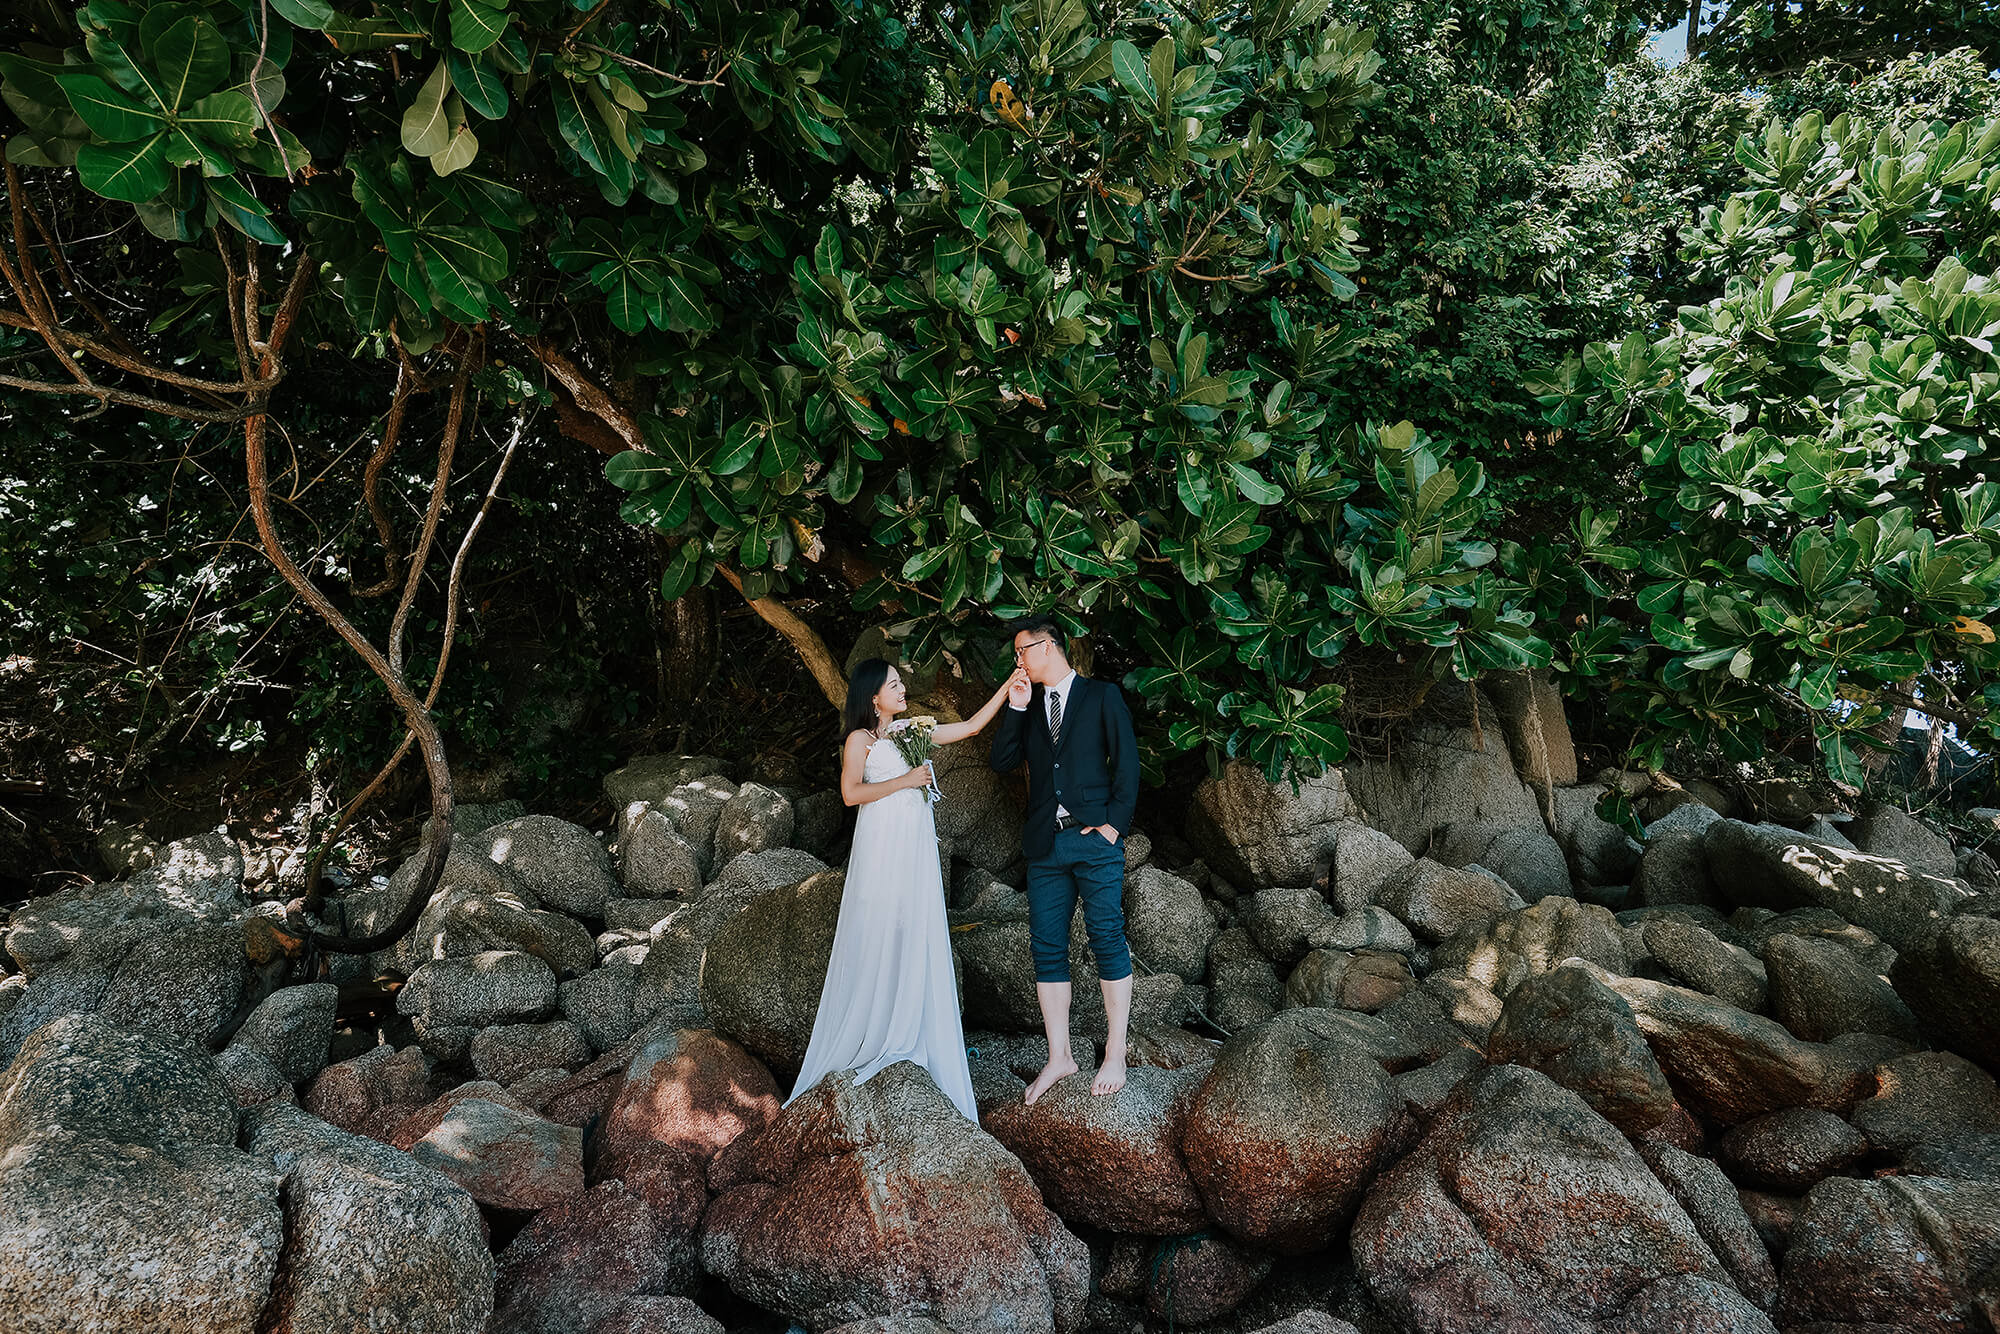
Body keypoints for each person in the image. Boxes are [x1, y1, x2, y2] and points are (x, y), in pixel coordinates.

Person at [786, 656, 1023, 1122]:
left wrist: (1008, 685)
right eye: (893, 684)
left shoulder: (912, 729)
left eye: (900, 682)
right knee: (881, 928)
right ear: (873, 696)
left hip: (913, 847)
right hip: (880, 848)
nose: (902, 688)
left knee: (914, 927)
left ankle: (911, 1028)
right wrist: (907, 780)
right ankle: (875, 1030)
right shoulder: (860, 740)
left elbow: (971, 728)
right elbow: (851, 793)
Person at [989, 616, 1139, 1103]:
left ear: (1048, 647)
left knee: (1106, 936)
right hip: (1045, 845)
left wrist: (1113, 825)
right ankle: (1061, 1056)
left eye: (1022, 652)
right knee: (1047, 946)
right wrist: (1015, 707)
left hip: (1095, 839)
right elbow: (1002, 761)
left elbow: (1128, 763)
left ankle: (1115, 1050)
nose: (1019, 662)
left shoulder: (1101, 696)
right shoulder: (1029, 705)